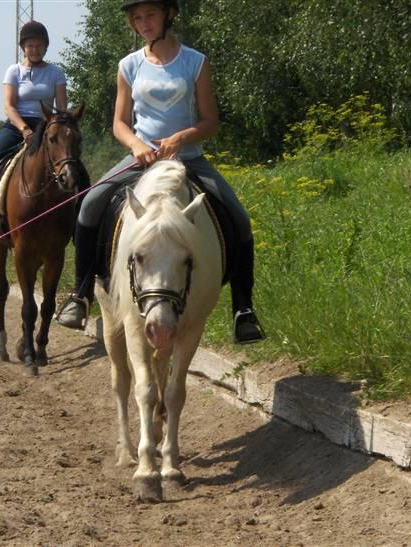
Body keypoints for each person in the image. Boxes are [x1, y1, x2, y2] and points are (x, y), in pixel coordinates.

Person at [55, 0, 264, 344]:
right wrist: (137, 146)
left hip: (190, 159)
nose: (143, 22)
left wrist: (181, 137)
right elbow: (119, 124)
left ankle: (243, 310)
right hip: (141, 159)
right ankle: (80, 295)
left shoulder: (196, 62)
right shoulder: (129, 65)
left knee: (239, 217)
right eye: (137, 17)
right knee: (91, 204)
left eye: (150, 14)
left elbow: (210, 121)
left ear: (168, 15)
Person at [0, 21, 68, 250]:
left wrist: (57, 126)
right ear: (23, 47)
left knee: (72, 167)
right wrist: (24, 129)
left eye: (39, 45)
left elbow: (61, 106)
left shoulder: (56, 73)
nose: (35, 50)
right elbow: (9, 106)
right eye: (31, 45)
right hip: (16, 127)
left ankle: (76, 224)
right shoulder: (14, 71)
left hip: (46, 126)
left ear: (46, 47)